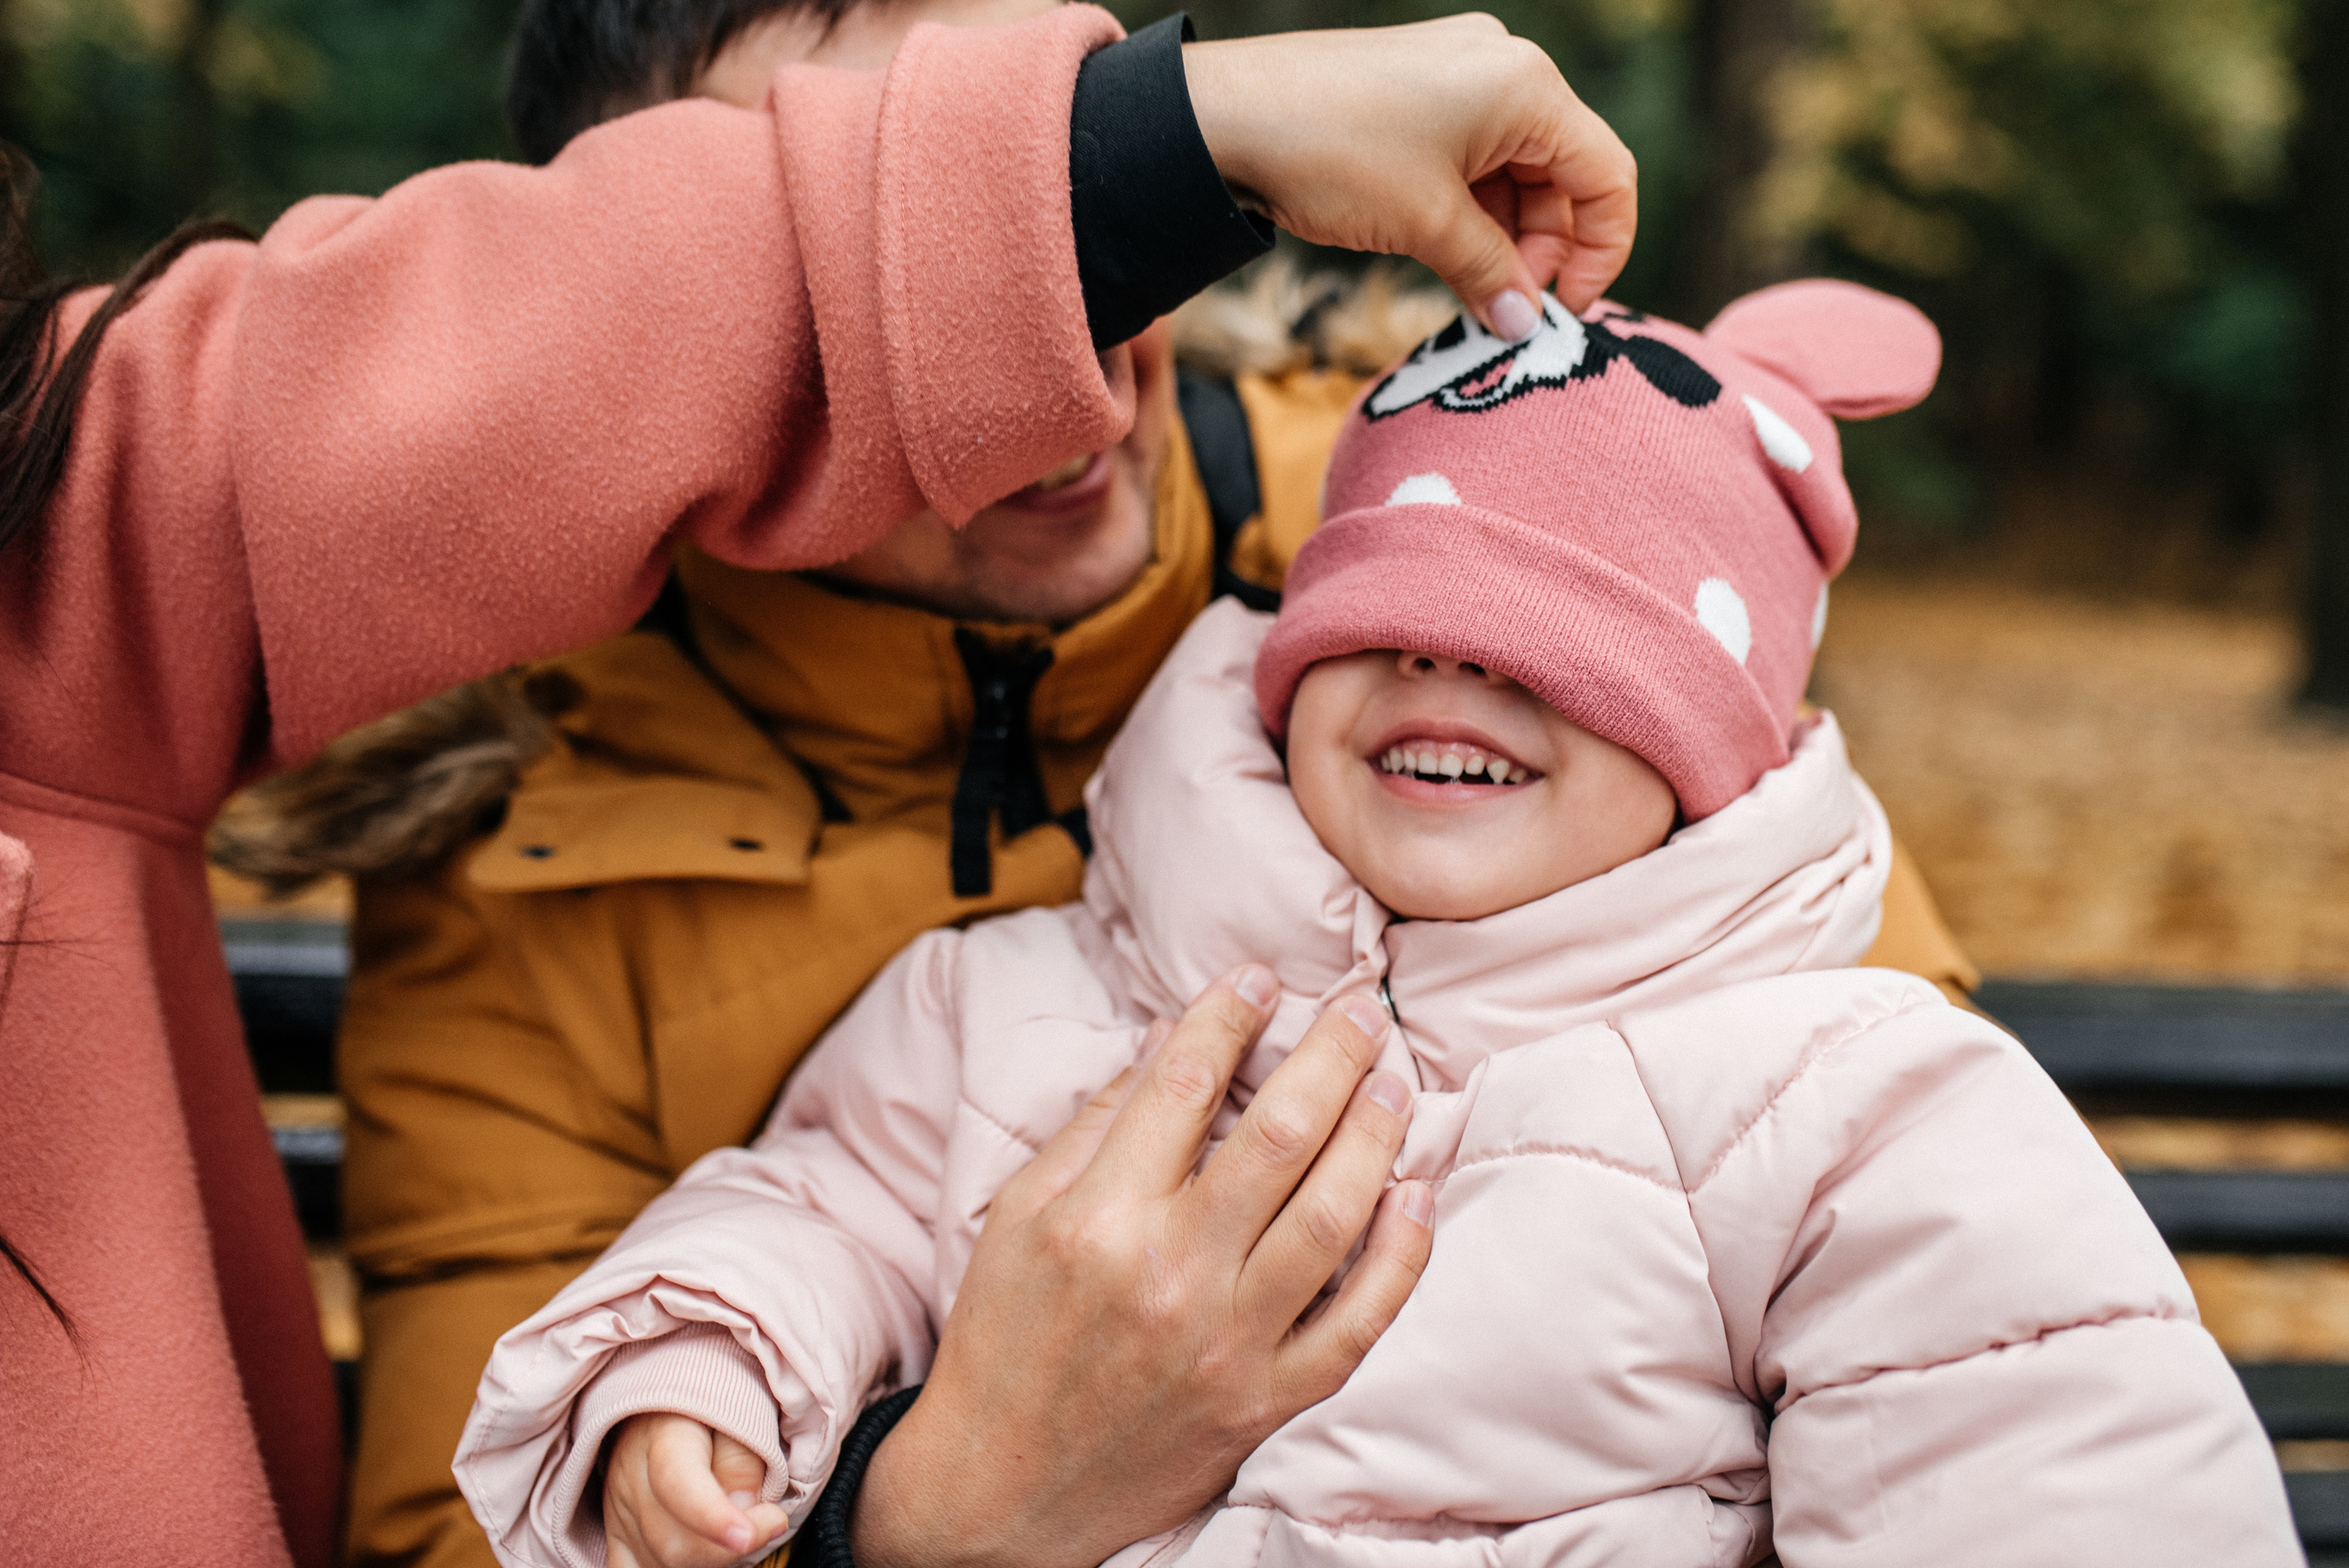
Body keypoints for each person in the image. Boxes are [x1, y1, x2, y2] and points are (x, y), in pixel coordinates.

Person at [207, 6, 1972, 1566]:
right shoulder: (529, 835)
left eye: (1063, 223)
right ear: (683, 369)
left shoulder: (1417, 526)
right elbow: (478, 1518)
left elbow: (1881, 1090)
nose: (1047, 371)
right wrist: (923, 1517)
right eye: (901, 287)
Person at [455, 281, 2298, 1568]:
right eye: (1391, 632)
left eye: (1548, 661)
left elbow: (2031, 1464)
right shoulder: (1009, 1001)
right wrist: (687, 1383)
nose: (1447, 678)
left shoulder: (1831, 1094)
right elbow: (815, 1207)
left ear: (1712, 745)